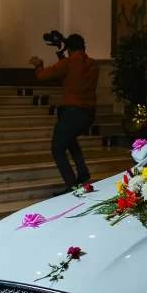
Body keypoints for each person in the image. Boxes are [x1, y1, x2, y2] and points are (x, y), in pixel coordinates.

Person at [30, 34, 99, 191]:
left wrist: (38, 65)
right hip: (89, 114)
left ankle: (72, 187)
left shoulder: (68, 63)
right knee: (69, 139)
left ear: (69, 49)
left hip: (72, 114)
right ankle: (82, 172)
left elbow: (43, 75)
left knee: (57, 149)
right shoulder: (94, 65)